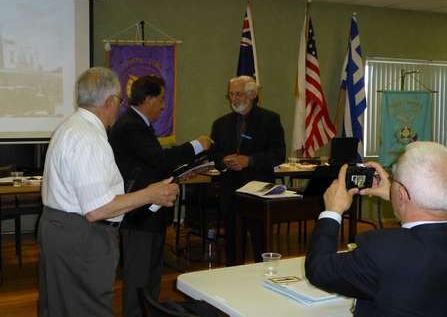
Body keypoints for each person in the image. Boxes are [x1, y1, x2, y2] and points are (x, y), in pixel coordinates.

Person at [38, 67, 179, 317]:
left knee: (60, 307)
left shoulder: (71, 126)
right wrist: (151, 194)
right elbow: (97, 209)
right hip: (82, 236)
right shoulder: (88, 137)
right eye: (120, 101)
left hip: (62, 228)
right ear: (110, 101)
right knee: (88, 307)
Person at [305, 141, 447, 317]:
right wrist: (396, 194)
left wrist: (332, 211)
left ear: (402, 195)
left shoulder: (382, 250)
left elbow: (319, 269)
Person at [109, 75, 212, 317]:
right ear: (148, 99)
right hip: (138, 214)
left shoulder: (138, 124)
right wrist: (197, 145)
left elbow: (151, 163)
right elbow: (159, 158)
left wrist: (181, 172)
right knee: (138, 277)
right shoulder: (130, 125)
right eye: (161, 99)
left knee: (151, 274)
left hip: (149, 213)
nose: (164, 105)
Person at [210, 75, 286, 265]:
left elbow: (278, 154)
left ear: (252, 94)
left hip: (259, 192)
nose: (234, 99)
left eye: (239, 94)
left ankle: (264, 281)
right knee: (233, 244)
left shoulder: (270, 120)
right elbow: (214, 154)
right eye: (231, 95)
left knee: (261, 241)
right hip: (231, 191)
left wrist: (249, 161)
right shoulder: (220, 124)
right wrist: (223, 161)